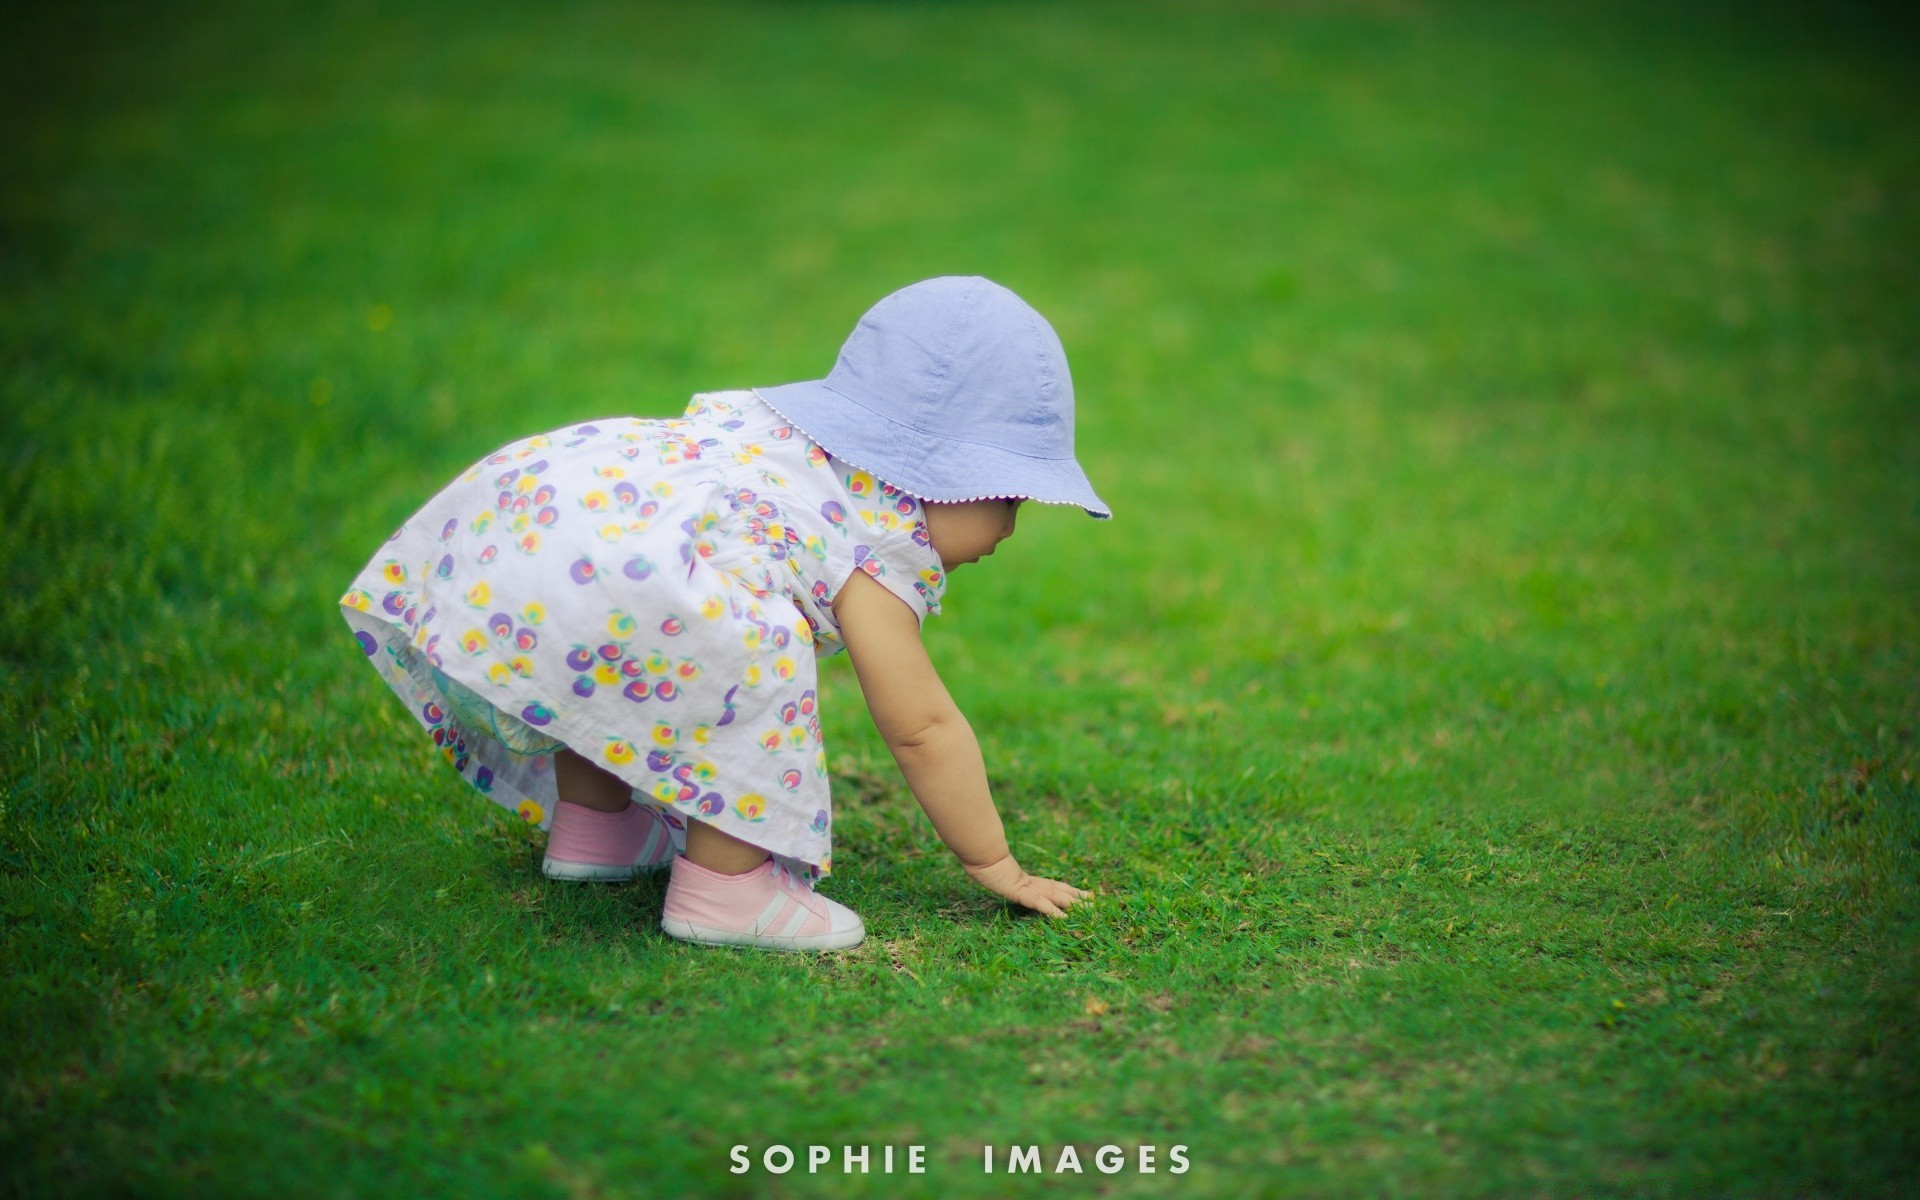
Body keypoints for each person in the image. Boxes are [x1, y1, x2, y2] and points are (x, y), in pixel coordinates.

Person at [340, 276, 1109, 952]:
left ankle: (598, 828)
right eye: (1009, 497)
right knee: (749, 649)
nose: (1009, 528)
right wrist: (994, 864)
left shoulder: (785, 442)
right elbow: (922, 726)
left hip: (568, 519)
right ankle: (727, 889)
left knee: (623, 637)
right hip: (651, 572)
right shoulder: (878, 538)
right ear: (938, 478)